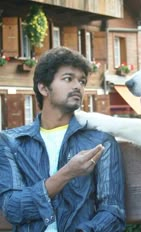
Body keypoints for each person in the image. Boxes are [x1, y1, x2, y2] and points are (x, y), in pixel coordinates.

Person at [0, 47, 126, 232]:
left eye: (82, 81)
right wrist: (67, 173)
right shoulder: (12, 142)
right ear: (43, 88)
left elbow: (113, 212)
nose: (78, 86)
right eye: (68, 79)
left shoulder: (100, 142)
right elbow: (13, 209)